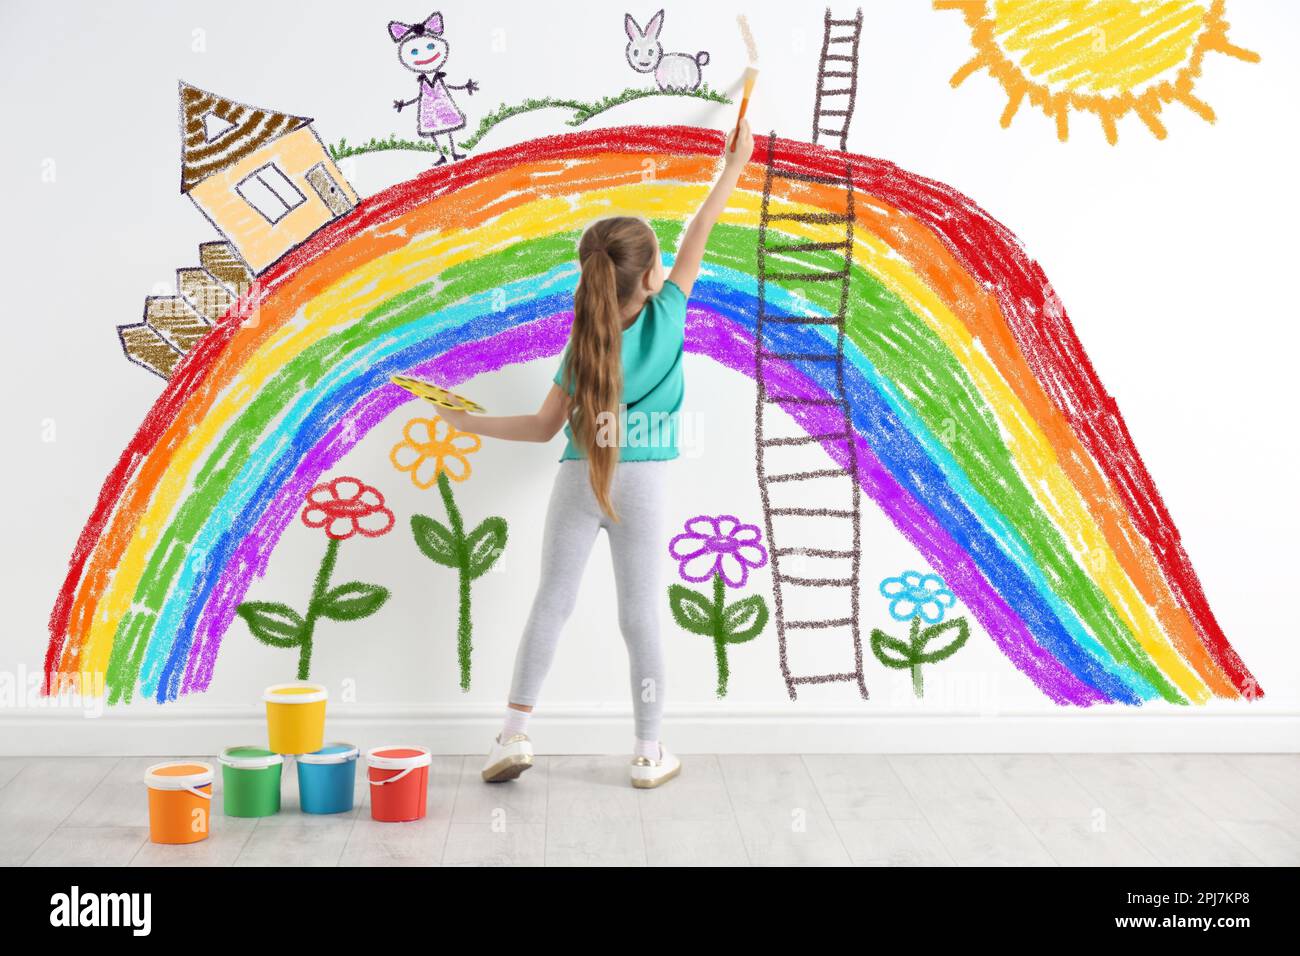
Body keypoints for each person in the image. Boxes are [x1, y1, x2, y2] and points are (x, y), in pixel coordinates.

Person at [439, 119, 755, 789]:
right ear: (646, 281)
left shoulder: (581, 345)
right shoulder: (669, 315)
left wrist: (465, 423)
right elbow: (703, 228)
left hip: (579, 481)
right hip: (642, 484)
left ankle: (514, 734)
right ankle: (647, 752)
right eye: (660, 263)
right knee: (640, 617)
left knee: (551, 601)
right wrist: (732, 167)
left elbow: (539, 428)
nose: (669, 268)